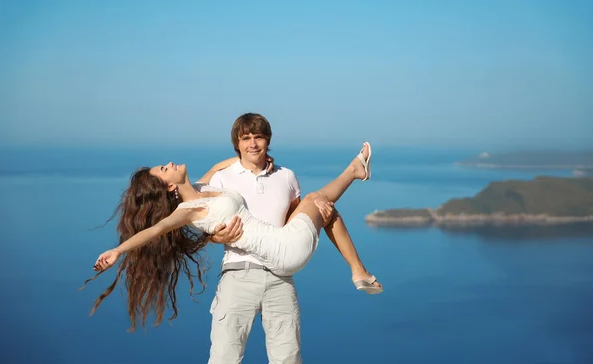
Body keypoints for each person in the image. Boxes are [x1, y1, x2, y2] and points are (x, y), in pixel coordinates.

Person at [91, 142, 381, 333]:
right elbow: (153, 231)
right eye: (164, 169)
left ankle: (359, 270)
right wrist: (117, 251)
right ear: (167, 188)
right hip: (285, 250)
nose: (169, 163)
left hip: (278, 248)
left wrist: (257, 157)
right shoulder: (187, 211)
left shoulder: (202, 187)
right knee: (318, 201)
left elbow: (221, 166)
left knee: (326, 210)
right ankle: (354, 172)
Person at [203, 113, 381, 364]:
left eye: (259, 137)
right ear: (237, 143)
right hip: (238, 274)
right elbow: (205, 225)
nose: (253, 144)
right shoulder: (221, 178)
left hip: (280, 277)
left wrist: (320, 213)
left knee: (288, 359)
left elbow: (292, 224)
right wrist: (215, 237)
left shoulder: (287, 177)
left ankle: (358, 266)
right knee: (224, 358)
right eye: (246, 138)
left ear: (268, 140)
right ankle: (354, 173)